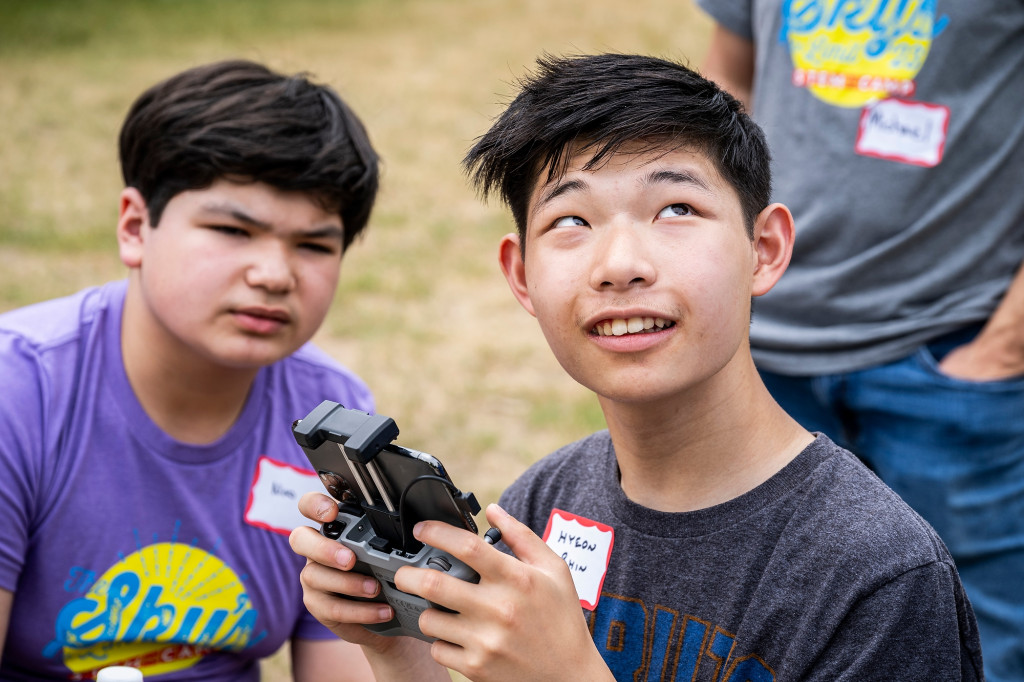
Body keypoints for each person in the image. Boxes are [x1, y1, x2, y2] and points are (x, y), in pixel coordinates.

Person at [289, 53, 984, 681]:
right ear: (521, 274)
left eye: (676, 207)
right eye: (571, 222)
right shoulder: (546, 502)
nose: (620, 265)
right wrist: (396, 639)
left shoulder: (876, 574)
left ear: (764, 249)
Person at [0, 59, 380, 680]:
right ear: (134, 227)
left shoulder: (331, 420)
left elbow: (348, 663)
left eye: (313, 245)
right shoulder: (19, 392)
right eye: (234, 230)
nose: (274, 274)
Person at [695, 3, 1024, 679]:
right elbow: (728, 79)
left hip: (949, 354)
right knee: (767, 630)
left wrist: (1002, 350)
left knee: (985, 647)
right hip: (761, 355)